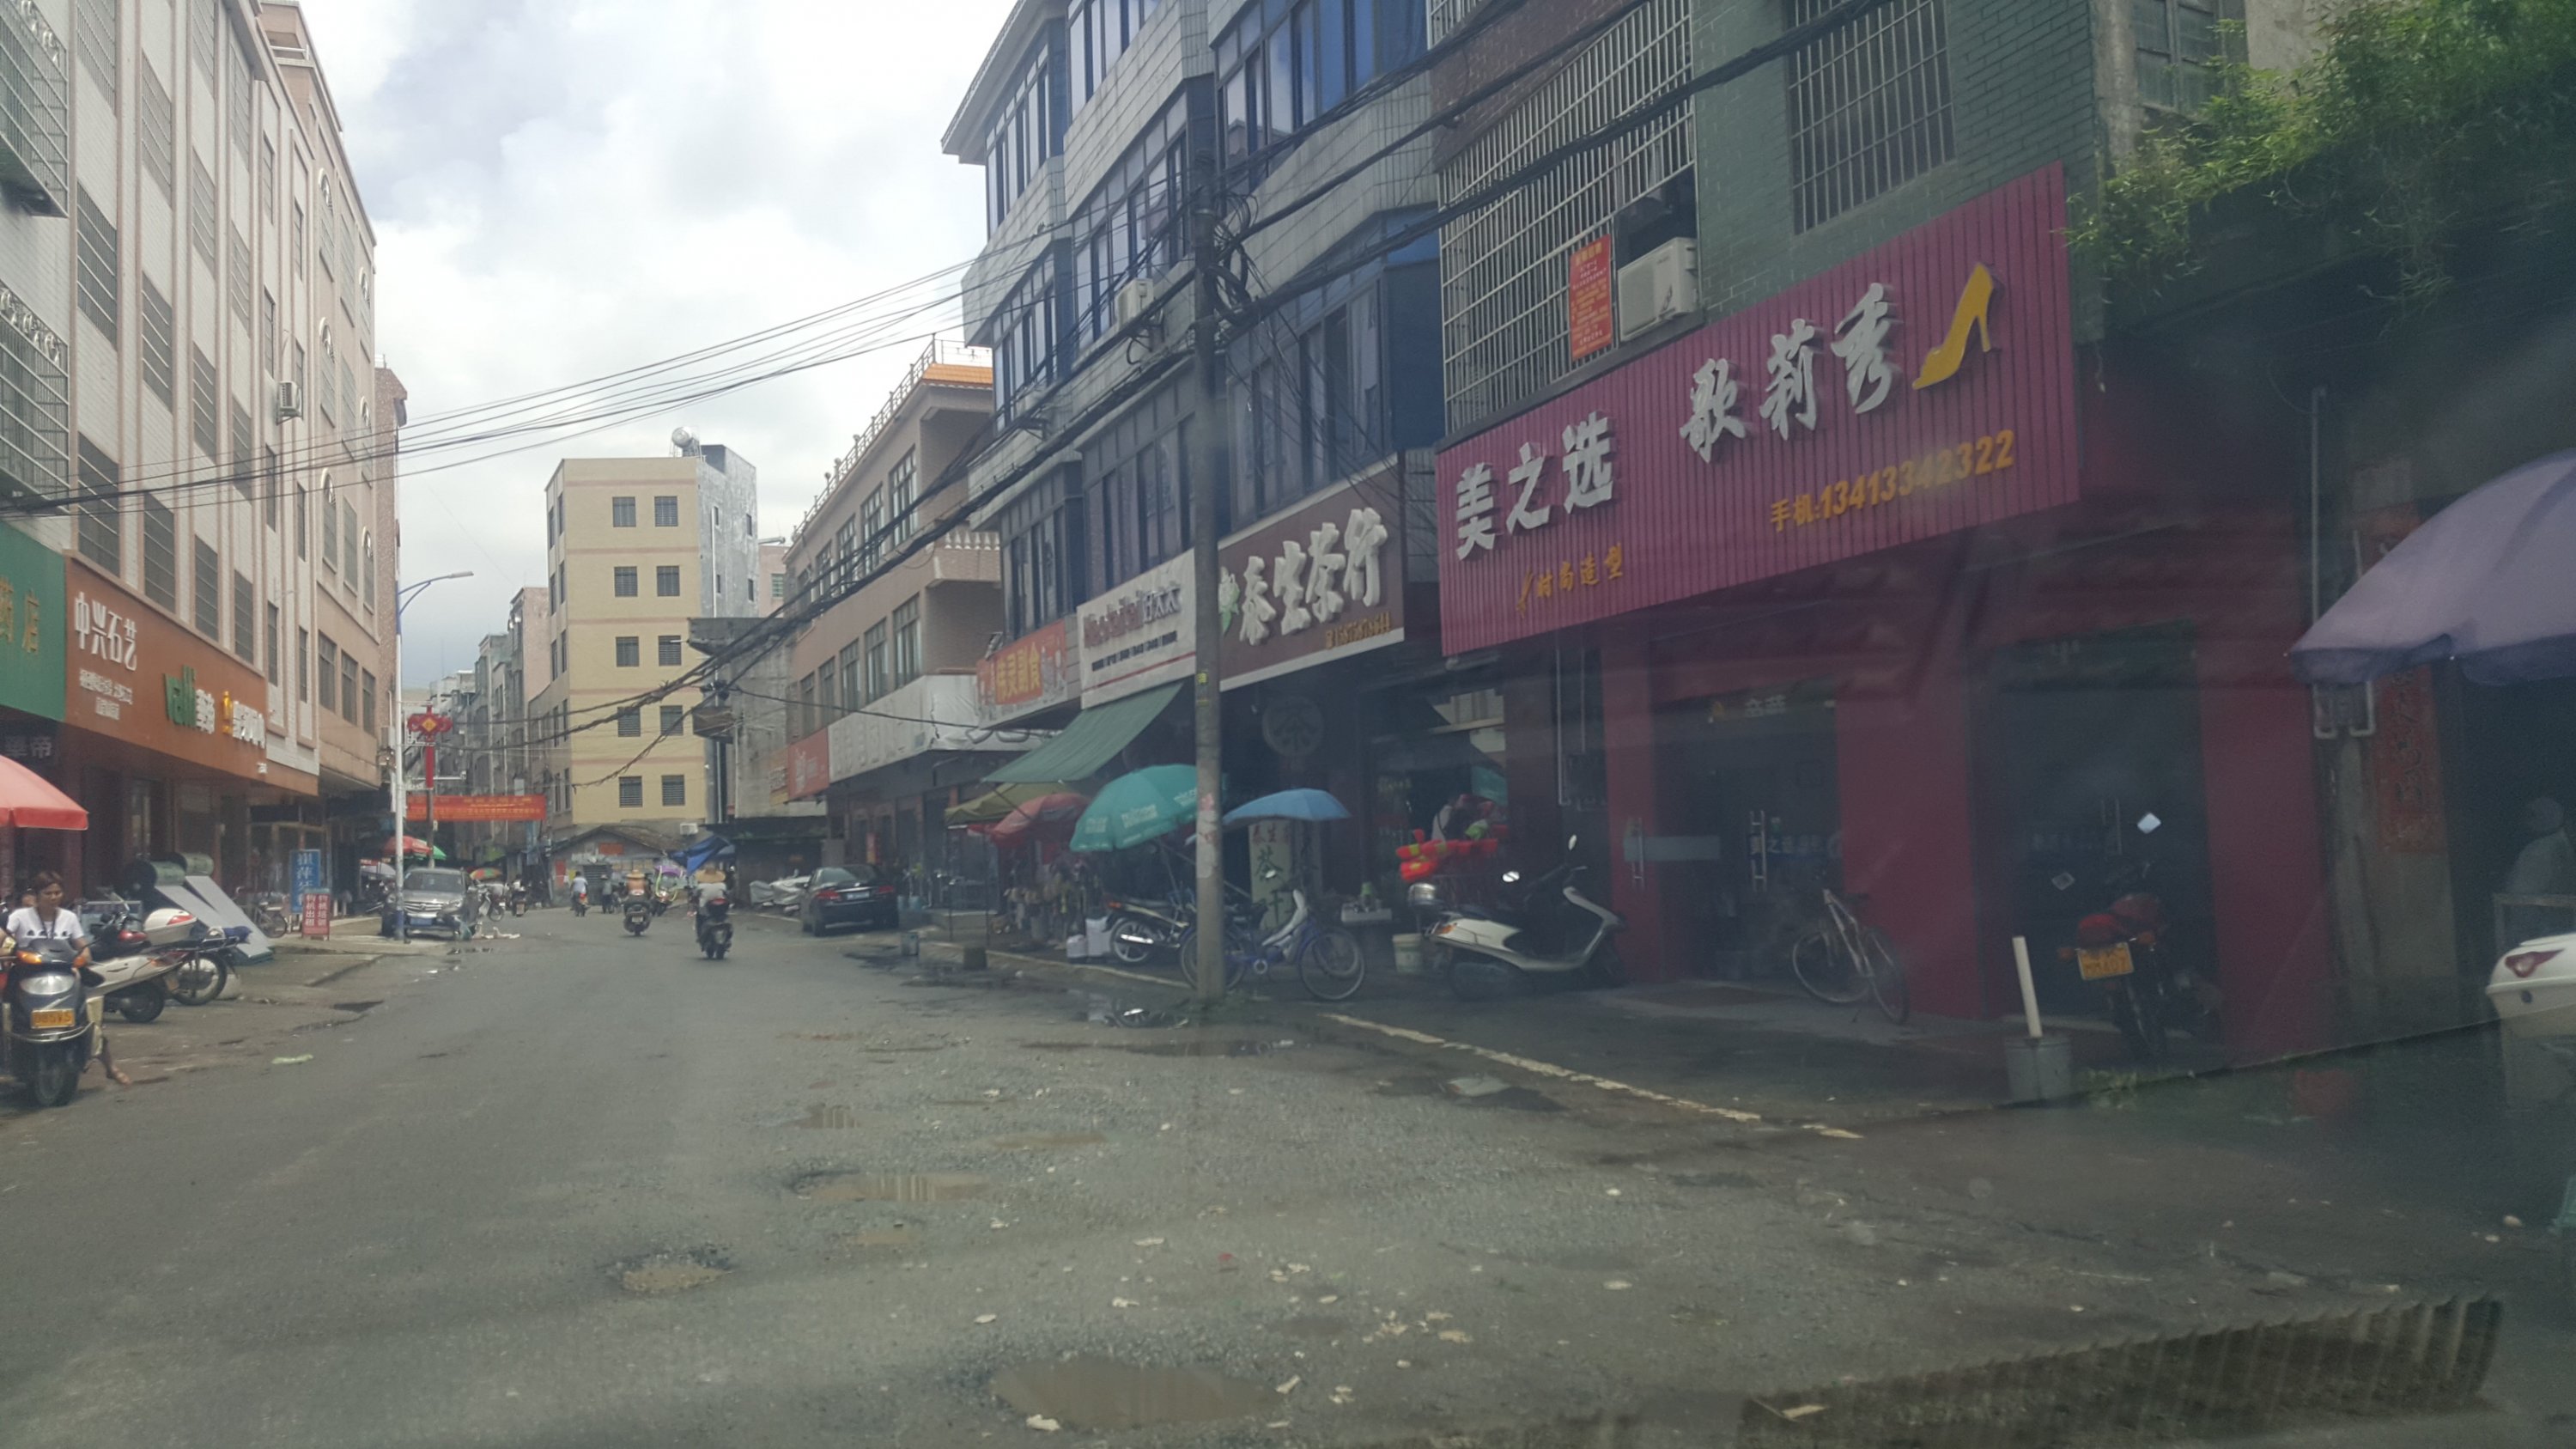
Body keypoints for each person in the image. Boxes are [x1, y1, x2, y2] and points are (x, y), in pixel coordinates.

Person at [5, 872, 128, 1087]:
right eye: (48, 893)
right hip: (26, 975)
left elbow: (82, 947)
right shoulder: (20, 917)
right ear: (37, 894)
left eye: (58, 892)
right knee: (6, 1013)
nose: (54, 897)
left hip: (64, 976)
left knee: (90, 1018)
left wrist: (83, 957)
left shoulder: (69, 918)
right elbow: (3, 938)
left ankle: (111, 1067)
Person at [2501, 796, 2576, 947]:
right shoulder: (2541, 853)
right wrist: (2550, 936)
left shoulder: (2568, 851)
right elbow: (2521, 905)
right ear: (2571, 824)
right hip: (2535, 944)